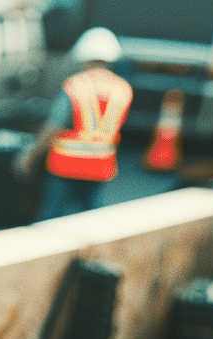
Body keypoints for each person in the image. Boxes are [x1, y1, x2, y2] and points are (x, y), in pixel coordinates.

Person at [25, 27, 132, 219]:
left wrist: (31, 154)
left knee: (52, 216)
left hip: (66, 164)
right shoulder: (123, 88)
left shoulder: (75, 84)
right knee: (89, 220)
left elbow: (54, 126)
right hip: (100, 165)